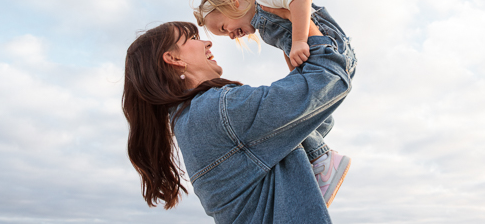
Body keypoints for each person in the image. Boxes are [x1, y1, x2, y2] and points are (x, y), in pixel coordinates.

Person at [122, 15, 354, 223]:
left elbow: (314, 117)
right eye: (192, 37)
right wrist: (295, 18)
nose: (207, 41)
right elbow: (330, 78)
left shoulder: (191, 120)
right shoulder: (216, 110)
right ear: (173, 58)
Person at [192, 0, 357, 205]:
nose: (230, 35)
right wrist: (296, 71)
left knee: (286, 112)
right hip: (322, 57)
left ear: (233, 0)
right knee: (306, 114)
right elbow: (286, 44)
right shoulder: (263, 26)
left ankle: (322, 158)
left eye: (223, 28)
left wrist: (300, 41)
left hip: (328, 49)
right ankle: (319, 154)